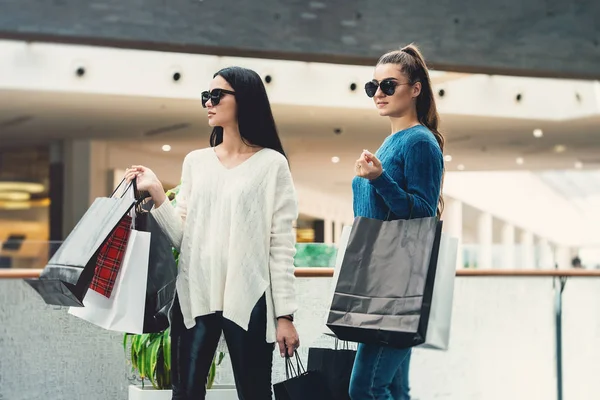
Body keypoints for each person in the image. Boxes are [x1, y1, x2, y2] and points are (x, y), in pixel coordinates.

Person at [125, 66, 300, 400]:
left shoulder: (272, 164)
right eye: (206, 96)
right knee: (186, 394)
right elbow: (183, 238)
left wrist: (285, 316)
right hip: (195, 295)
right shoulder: (196, 162)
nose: (209, 102)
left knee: (255, 394)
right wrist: (159, 194)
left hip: (249, 297)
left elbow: (281, 245)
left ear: (245, 100)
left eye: (217, 95)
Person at [348, 44, 445, 400]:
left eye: (389, 86)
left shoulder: (420, 142)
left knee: (366, 389)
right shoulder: (392, 142)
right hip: (381, 279)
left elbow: (422, 212)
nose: (379, 94)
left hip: (399, 283)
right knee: (392, 387)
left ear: (415, 89)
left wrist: (378, 180)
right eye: (372, 86)